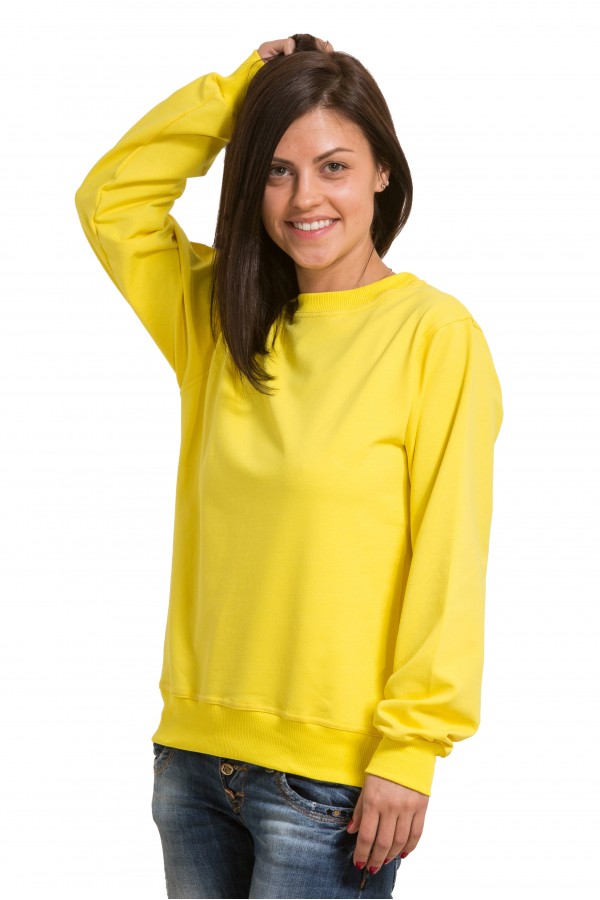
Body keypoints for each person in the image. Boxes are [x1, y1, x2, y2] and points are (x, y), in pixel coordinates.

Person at [74, 34, 503, 900]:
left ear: (382, 172)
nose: (306, 197)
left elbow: (449, 558)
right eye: (276, 170)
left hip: (332, 785)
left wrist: (412, 749)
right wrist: (238, 94)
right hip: (192, 763)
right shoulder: (220, 320)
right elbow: (110, 200)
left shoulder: (434, 336)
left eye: (334, 166)